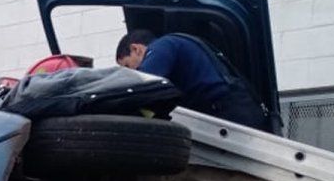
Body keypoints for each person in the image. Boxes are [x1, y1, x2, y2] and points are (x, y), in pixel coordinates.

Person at [115, 29, 269, 131]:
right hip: (237, 108)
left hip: (229, 110)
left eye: (128, 66)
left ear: (136, 49)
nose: (133, 72)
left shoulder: (161, 46)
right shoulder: (178, 44)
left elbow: (143, 87)